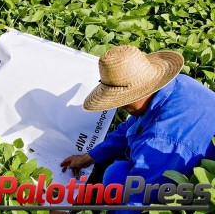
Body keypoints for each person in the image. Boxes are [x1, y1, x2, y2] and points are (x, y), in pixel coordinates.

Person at [60, 45, 215, 212]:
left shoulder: (160, 141)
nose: (120, 105)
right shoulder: (176, 84)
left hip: (198, 183)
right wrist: (89, 157)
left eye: (124, 101)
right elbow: (130, 126)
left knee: (116, 175)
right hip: (184, 147)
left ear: (141, 92)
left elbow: (136, 202)